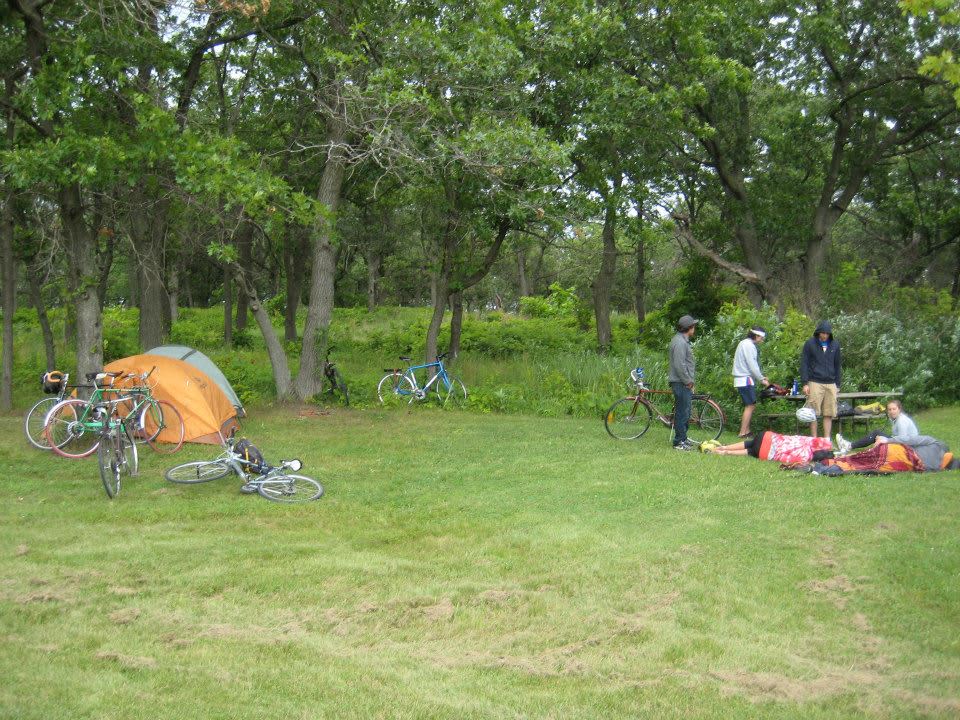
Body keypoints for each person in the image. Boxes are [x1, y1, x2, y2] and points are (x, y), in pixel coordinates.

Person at [809, 434, 959, 475]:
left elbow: (911, 439)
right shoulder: (934, 468)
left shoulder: (937, 444)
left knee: (859, 458)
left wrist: (888, 440)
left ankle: (831, 458)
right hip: (897, 462)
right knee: (859, 462)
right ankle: (832, 462)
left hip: (895, 451)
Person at [800, 320, 841, 440]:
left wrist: (837, 384)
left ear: (830, 334)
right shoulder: (810, 343)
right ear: (818, 332)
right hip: (814, 381)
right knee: (813, 412)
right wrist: (805, 383)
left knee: (829, 412)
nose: (824, 335)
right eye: (822, 333)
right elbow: (804, 363)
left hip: (831, 382)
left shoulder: (835, 344)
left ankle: (827, 439)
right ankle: (814, 438)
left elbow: (838, 365)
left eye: (827, 333)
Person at [835, 399, 919, 453]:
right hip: (905, 444)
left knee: (877, 434)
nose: (892, 411)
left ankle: (849, 446)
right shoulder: (896, 419)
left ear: (899, 409)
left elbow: (902, 440)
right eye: (889, 409)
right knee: (878, 435)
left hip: (909, 448)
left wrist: (886, 440)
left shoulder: (902, 421)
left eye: (894, 409)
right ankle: (849, 446)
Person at [702, 431, 832, 464]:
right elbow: (786, 459)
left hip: (766, 436)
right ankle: (723, 453)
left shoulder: (806, 440)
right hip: (765, 452)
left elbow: (823, 441)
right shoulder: (805, 456)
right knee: (753, 451)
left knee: (752, 442)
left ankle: (723, 447)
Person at [732, 326, 770, 439]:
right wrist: (762, 379)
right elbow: (752, 365)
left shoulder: (743, 343)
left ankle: (747, 431)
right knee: (750, 405)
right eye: (761, 338)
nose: (762, 340)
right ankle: (742, 432)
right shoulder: (749, 346)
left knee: (751, 405)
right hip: (745, 379)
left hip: (742, 378)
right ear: (756, 336)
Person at [668, 315, 698, 451]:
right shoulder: (680, 342)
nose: (694, 328)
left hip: (683, 382)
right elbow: (679, 365)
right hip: (681, 382)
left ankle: (683, 439)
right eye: (693, 326)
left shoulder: (681, 340)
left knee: (685, 412)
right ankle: (679, 442)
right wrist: (688, 381)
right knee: (682, 412)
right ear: (689, 328)